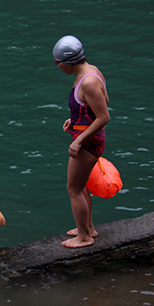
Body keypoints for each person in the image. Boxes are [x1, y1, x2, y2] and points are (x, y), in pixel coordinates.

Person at [53, 35, 110, 248]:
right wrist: (75, 119)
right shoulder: (91, 71)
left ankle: (84, 237)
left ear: (69, 62)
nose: (57, 66)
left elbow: (104, 116)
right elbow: (98, 105)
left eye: (58, 62)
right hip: (86, 135)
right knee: (81, 185)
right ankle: (88, 228)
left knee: (73, 189)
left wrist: (79, 140)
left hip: (89, 142)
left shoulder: (89, 81)